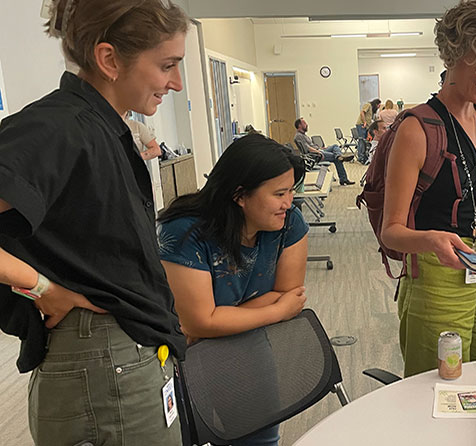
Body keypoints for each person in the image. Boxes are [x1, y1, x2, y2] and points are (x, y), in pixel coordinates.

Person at [0, 1, 188, 445]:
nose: (176, 83)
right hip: (103, 359)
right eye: (167, 66)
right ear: (109, 60)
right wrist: (41, 287)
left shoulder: (103, 129)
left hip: (125, 355)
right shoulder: (60, 127)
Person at [382, 0, 476, 377]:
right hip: (436, 270)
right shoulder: (417, 128)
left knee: (473, 373)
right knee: (435, 381)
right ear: (454, 55)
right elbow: (391, 230)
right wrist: (432, 241)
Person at [158, 134, 308, 445]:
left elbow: (289, 293)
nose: (288, 202)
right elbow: (200, 323)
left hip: (249, 348)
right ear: (240, 195)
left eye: (291, 190)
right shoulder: (186, 232)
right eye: (279, 193)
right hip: (185, 359)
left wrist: (215, 320)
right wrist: (275, 311)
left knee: (259, 439)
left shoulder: (288, 223)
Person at [293, 118, 355, 185]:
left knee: (335, 146)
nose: (306, 125)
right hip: (314, 155)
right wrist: (318, 152)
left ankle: (339, 156)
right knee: (336, 159)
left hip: (318, 150)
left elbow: (312, 145)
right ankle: (343, 178)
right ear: (299, 125)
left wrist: (321, 148)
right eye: (304, 123)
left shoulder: (303, 135)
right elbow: (307, 149)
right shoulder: (298, 136)